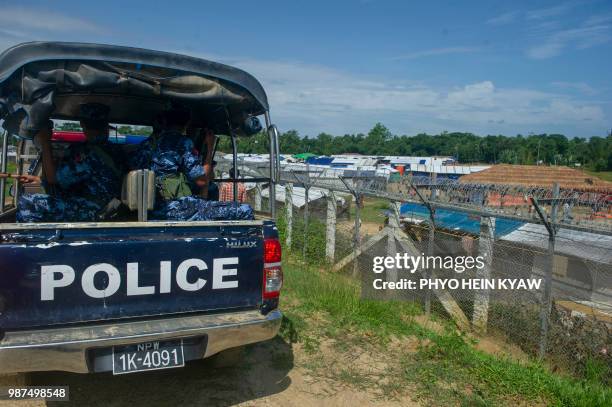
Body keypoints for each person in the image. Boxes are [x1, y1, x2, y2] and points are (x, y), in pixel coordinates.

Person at [132, 105, 253, 221]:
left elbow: (132, 167)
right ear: (187, 123)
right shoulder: (183, 143)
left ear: (164, 122)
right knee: (244, 209)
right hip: (174, 209)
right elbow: (202, 181)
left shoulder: (147, 144)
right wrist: (210, 148)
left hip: (148, 209)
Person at [16, 103, 122, 222]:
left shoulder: (87, 152)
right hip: (110, 206)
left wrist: (45, 142)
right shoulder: (115, 149)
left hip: (94, 209)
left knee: (27, 202)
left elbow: (53, 178)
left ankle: (30, 239)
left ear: (82, 124)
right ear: (106, 125)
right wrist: (39, 180)